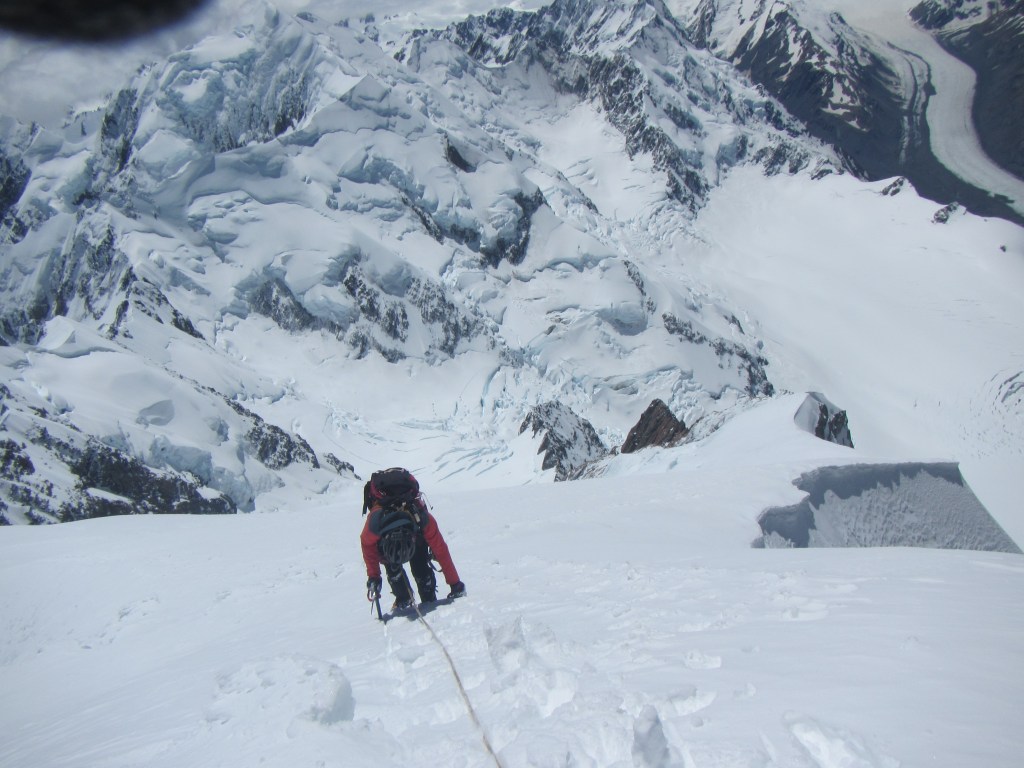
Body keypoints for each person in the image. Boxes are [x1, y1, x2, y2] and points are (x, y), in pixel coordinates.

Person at [360, 467, 465, 611]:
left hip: (413, 536)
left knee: (399, 569)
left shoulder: (421, 518)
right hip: (395, 540)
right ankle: (419, 597)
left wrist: (374, 578)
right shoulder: (376, 522)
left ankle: (404, 599)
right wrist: (455, 584)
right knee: (419, 567)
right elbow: (440, 550)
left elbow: (440, 548)